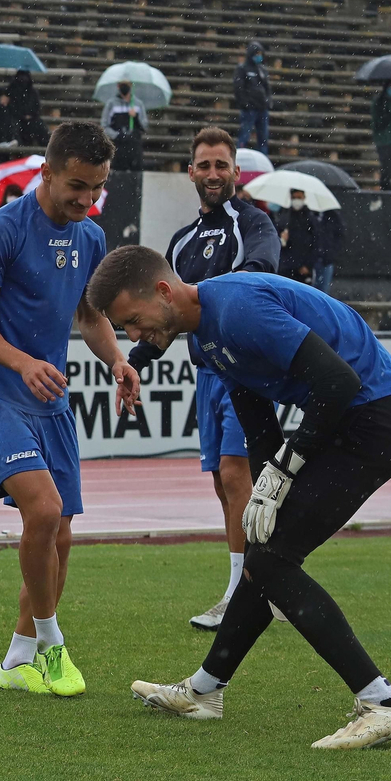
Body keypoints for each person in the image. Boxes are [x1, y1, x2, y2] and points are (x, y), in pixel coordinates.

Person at [91, 246, 391, 748]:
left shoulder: (238, 309)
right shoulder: (205, 338)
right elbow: (260, 425)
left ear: (163, 291)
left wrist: (284, 471)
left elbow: (338, 381)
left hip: (376, 417)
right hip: (353, 419)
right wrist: (269, 482)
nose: (133, 335)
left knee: (273, 560)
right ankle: (204, 691)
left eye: (132, 321)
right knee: (264, 556)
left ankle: (384, 702)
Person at [0, 122, 139, 698]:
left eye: (97, 188)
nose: (86, 200)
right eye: (77, 187)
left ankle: (17, 659)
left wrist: (116, 359)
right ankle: (52, 642)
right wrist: (21, 362)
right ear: (47, 173)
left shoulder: (91, 238)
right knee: (43, 511)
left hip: (51, 404)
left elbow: (90, 317)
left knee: (59, 536)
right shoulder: (0, 231)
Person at [125, 127, 281, 631]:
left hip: (246, 371)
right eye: (204, 166)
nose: (213, 174)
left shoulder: (254, 222)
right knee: (223, 482)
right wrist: (133, 361)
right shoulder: (182, 240)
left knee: (239, 476)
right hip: (206, 373)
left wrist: (211, 296)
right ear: (190, 172)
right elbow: (166, 317)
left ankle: (247, 593)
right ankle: (257, 584)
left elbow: (262, 269)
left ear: (236, 172)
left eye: (221, 165)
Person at [233, 40, 272, 155]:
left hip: (262, 109)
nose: (258, 56)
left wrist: (268, 101)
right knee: (244, 136)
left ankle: (263, 161)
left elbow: (267, 88)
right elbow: (238, 87)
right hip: (249, 110)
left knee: (263, 138)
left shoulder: (262, 69)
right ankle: (238, 159)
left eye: (260, 54)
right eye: (256, 54)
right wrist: (245, 103)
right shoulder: (242, 69)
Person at [274, 189, 319, 283]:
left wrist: (308, 265)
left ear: (304, 198)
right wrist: (281, 239)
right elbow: (275, 237)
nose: (296, 200)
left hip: (303, 268)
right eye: (294, 197)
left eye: (299, 197)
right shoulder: (285, 216)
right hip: (286, 266)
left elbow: (316, 243)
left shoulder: (310, 218)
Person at [101, 81, 147, 171]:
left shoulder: (138, 104)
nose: (124, 87)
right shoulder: (111, 104)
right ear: (118, 86)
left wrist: (136, 118)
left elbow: (144, 126)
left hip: (134, 145)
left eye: (127, 84)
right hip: (118, 145)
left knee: (135, 172)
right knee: (118, 173)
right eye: (122, 84)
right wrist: (117, 135)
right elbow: (104, 125)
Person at [7, 70, 49, 147]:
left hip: (31, 118)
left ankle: (46, 146)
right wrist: (22, 116)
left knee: (40, 125)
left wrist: (30, 115)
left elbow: (37, 108)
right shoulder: (11, 90)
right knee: (14, 125)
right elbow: (11, 108)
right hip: (16, 118)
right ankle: (16, 143)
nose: (23, 80)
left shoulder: (32, 92)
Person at [315, 209, 343, 294]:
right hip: (312, 260)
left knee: (323, 291)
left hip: (326, 259)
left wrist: (331, 253)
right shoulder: (309, 215)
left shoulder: (332, 216)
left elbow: (340, 236)